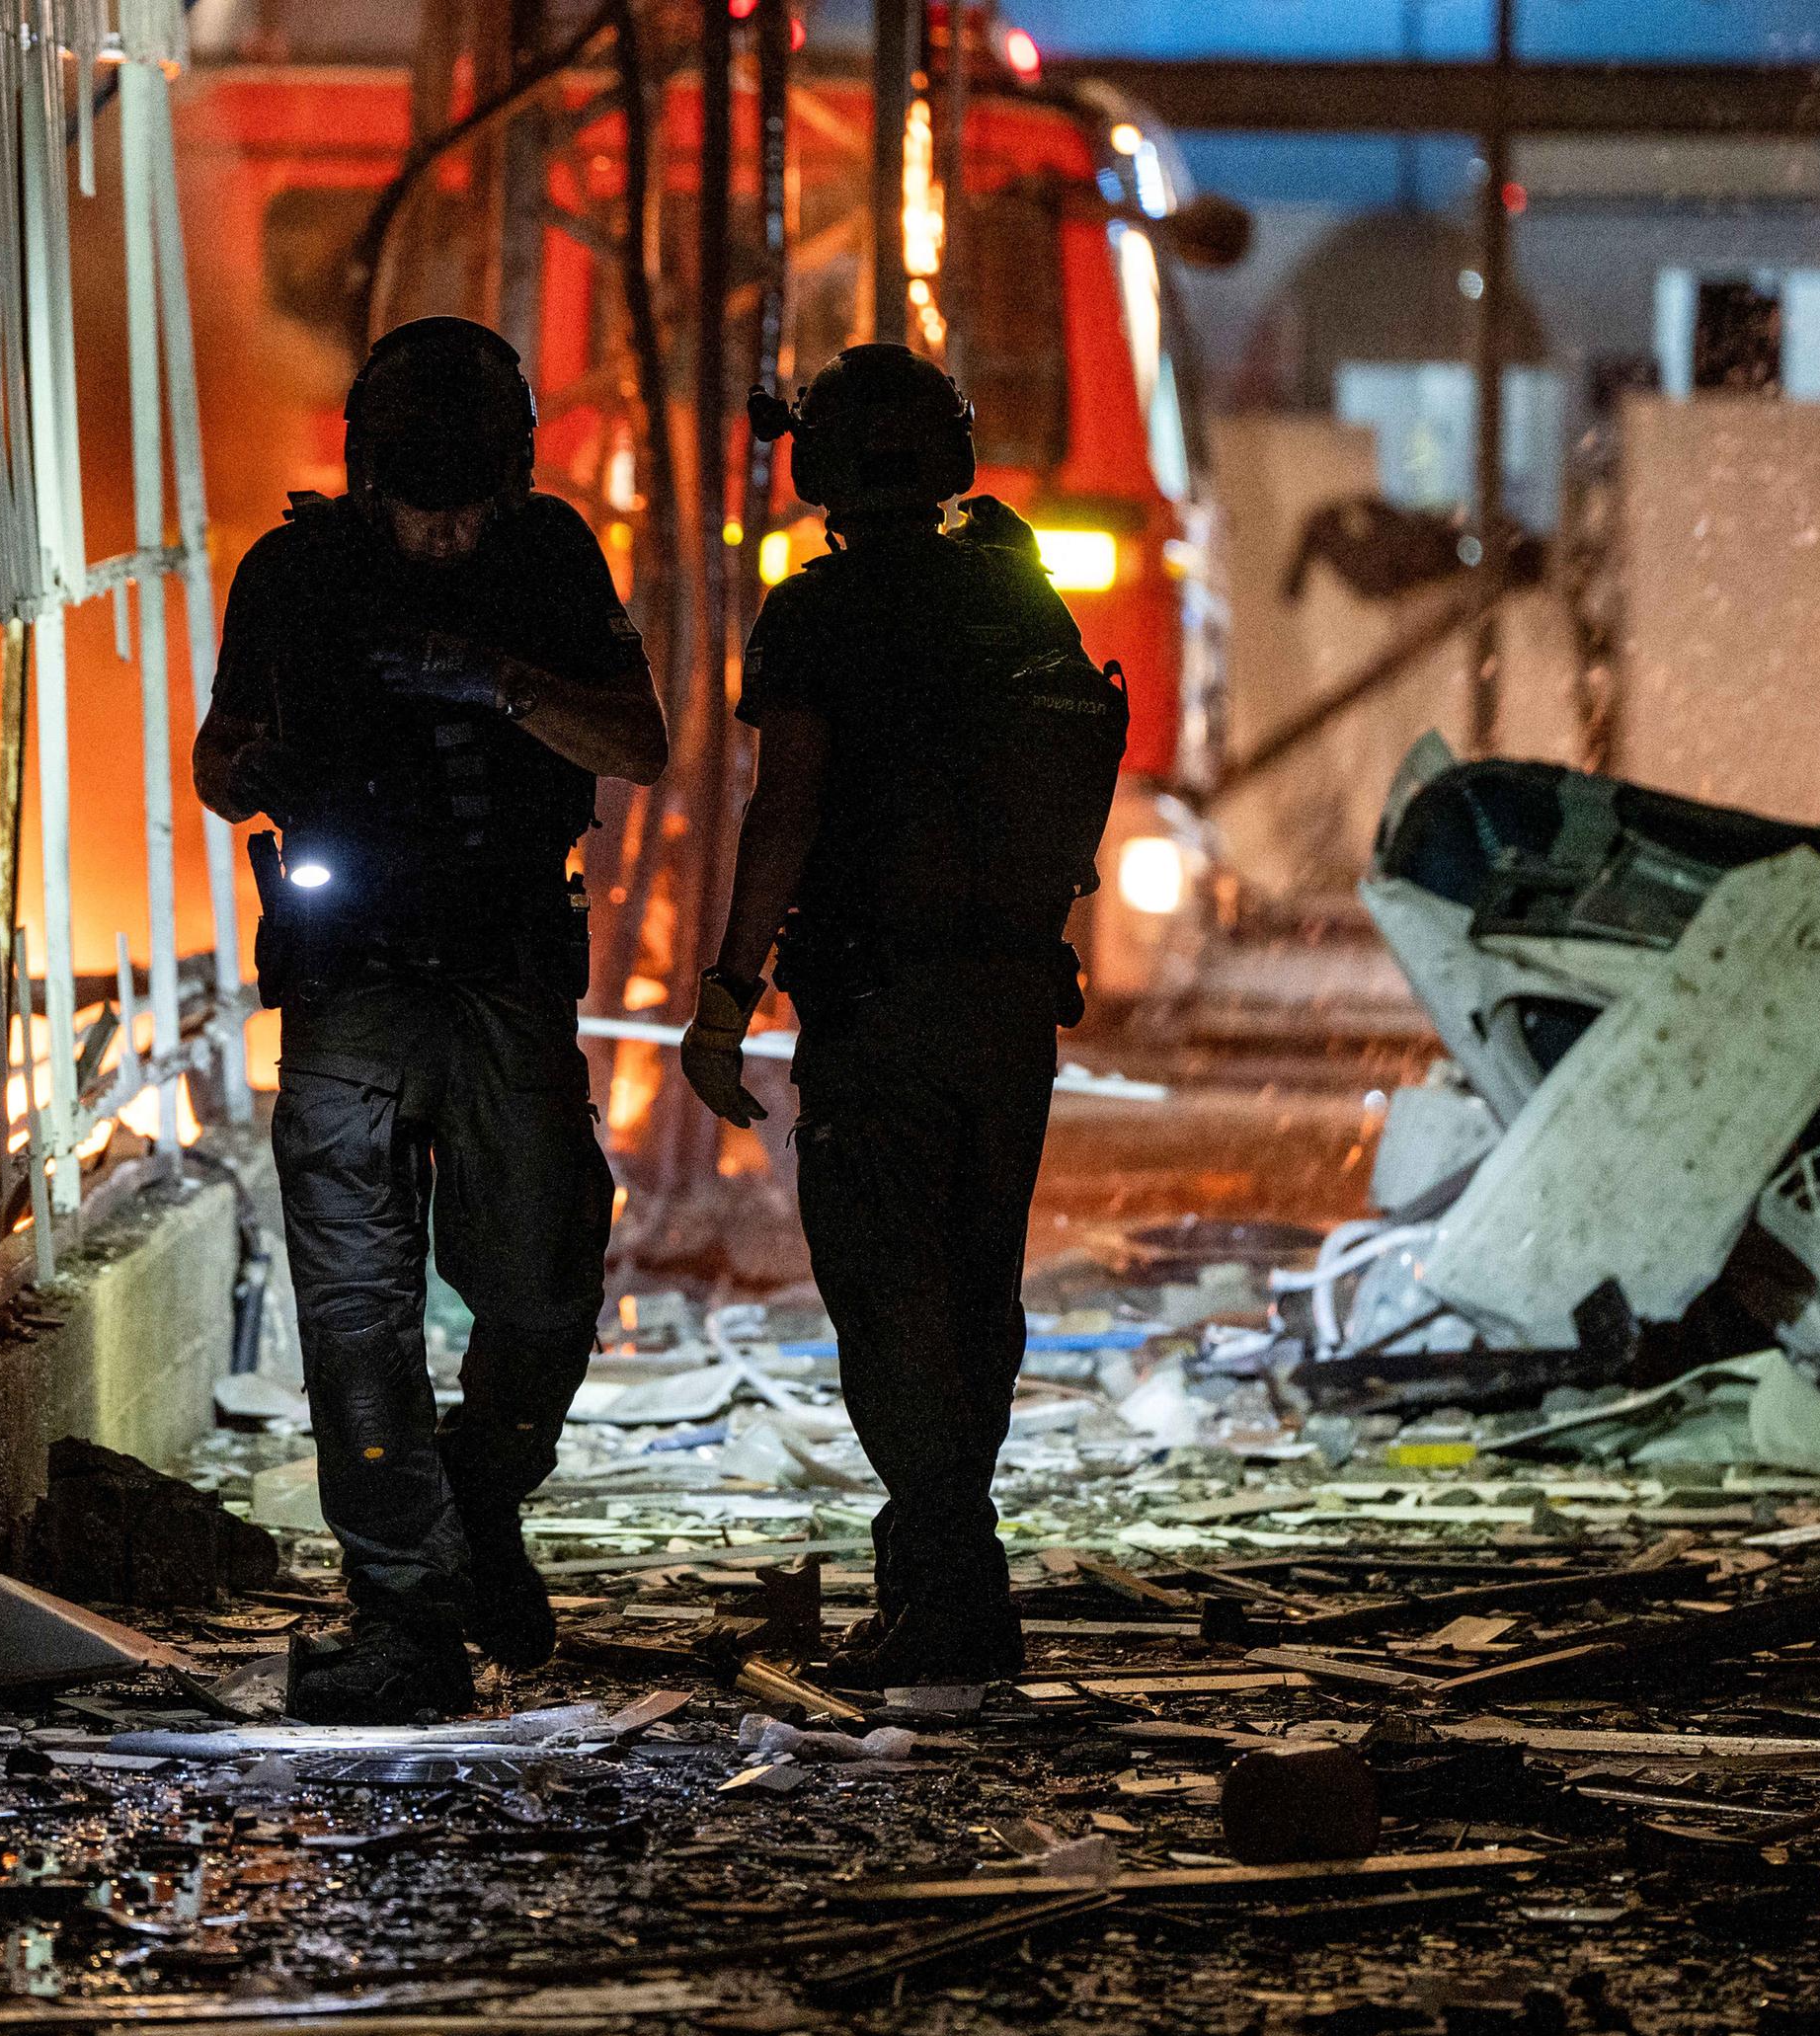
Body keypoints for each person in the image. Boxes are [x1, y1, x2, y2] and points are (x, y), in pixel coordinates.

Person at [195, 317, 670, 1723]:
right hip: (349, 991)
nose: (449, 533)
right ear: (370, 477)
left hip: (508, 981)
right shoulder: (292, 572)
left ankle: (473, 1504)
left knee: (541, 1282)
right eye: (424, 505)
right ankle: (404, 1610)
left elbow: (640, 744)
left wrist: (502, 683)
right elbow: (222, 768)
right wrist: (265, 761)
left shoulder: (550, 559)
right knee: (357, 1313)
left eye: (472, 504)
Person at [677, 344, 1131, 1689]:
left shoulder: (817, 615)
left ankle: (948, 1594)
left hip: (879, 1008)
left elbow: (788, 809)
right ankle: (943, 1574)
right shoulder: (1023, 596)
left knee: (890, 1295)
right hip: (1008, 1002)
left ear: (813, 464)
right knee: (978, 1291)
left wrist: (726, 992)